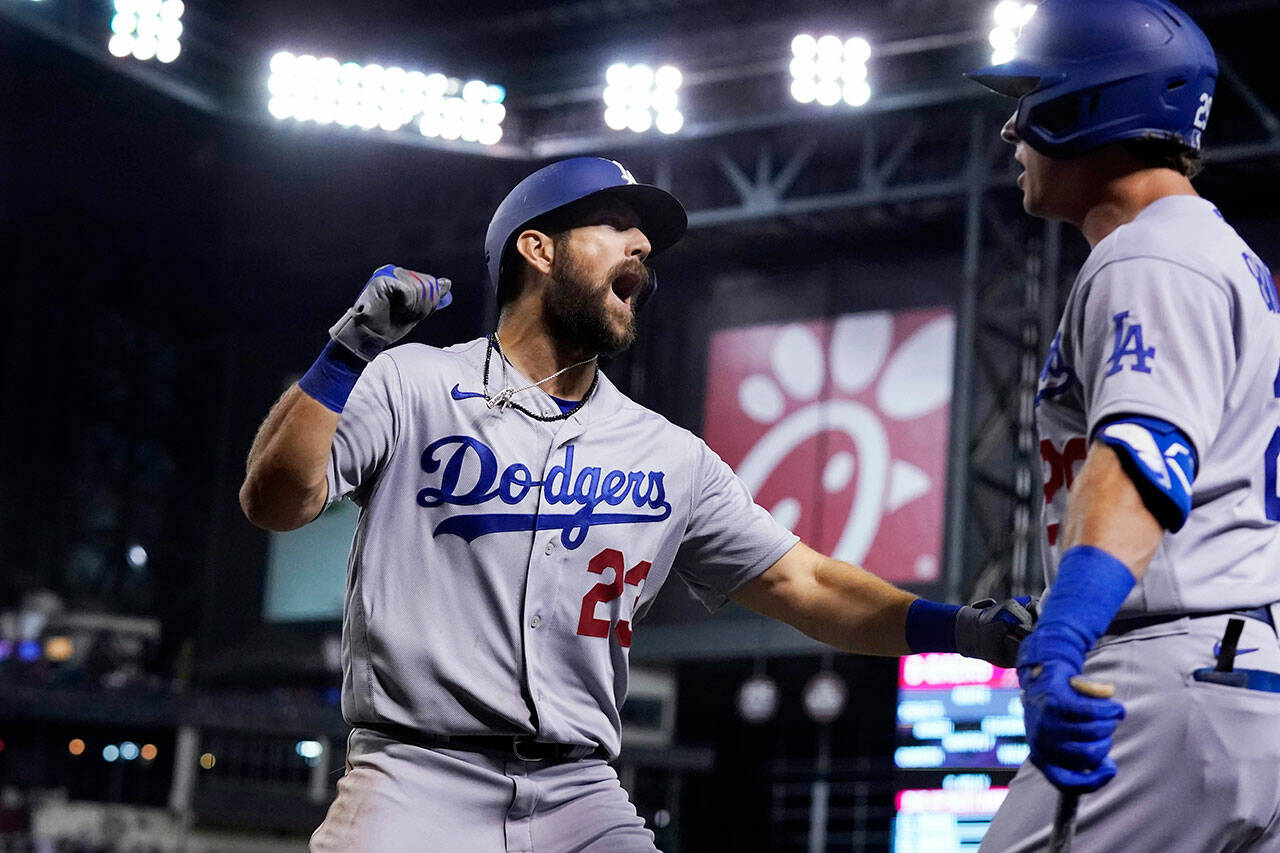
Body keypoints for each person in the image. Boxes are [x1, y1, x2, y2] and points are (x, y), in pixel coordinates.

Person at [239, 156, 1034, 852]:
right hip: (414, 777)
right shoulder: (409, 382)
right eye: (614, 224)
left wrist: (955, 627)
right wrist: (348, 352)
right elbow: (276, 501)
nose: (642, 247)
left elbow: (810, 585)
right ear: (537, 248)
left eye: (645, 239)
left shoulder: (668, 453)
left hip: (580, 793)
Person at [965, 1, 1280, 849]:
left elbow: (1144, 456)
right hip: (1242, 676)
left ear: (1087, 107)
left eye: (1030, 96)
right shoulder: (1228, 261)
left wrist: (1064, 634)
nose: (1009, 130)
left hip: (1163, 674)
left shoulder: (1149, 255)